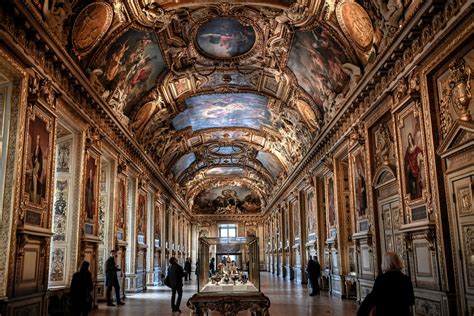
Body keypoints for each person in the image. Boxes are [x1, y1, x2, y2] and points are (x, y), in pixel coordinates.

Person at [357, 251, 415, 316]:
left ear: (385, 263)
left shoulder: (381, 279)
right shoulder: (406, 279)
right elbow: (411, 301)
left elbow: (372, 298)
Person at [405, 132, 423, 199]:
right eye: (408, 139)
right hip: (410, 170)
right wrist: (407, 167)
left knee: (416, 183)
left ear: (412, 139)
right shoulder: (408, 150)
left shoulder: (416, 147)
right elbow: (406, 160)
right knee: (412, 185)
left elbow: (420, 153)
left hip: (415, 168)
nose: (410, 140)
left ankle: (418, 195)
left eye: (410, 138)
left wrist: (419, 158)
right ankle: (414, 196)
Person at [31, 134, 44, 204]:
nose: (37, 141)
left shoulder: (40, 150)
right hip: (34, 166)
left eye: (38, 139)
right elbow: (33, 157)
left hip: (38, 166)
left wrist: (37, 161)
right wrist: (34, 159)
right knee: (33, 181)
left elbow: (40, 160)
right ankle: (33, 196)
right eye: (37, 139)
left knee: (36, 180)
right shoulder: (35, 148)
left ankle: (36, 198)